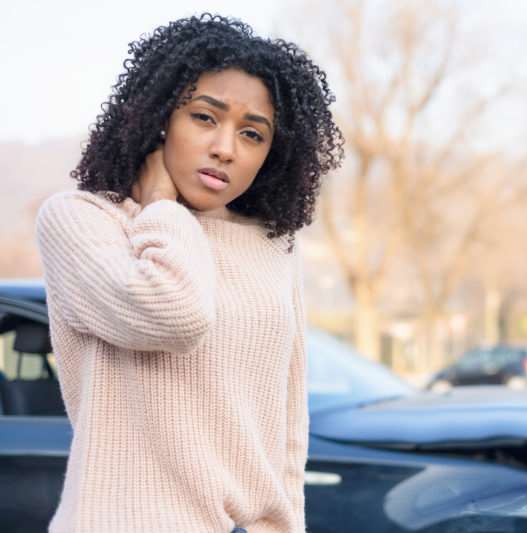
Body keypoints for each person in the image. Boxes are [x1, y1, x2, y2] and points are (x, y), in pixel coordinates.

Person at [34, 13, 343, 533]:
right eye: (204, 117)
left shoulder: (273, 246)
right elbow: (174, 314)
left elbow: (288, 424)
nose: (225, 147)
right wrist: (161, 205)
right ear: (159, 117)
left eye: (252, 133)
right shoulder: (84, 221)